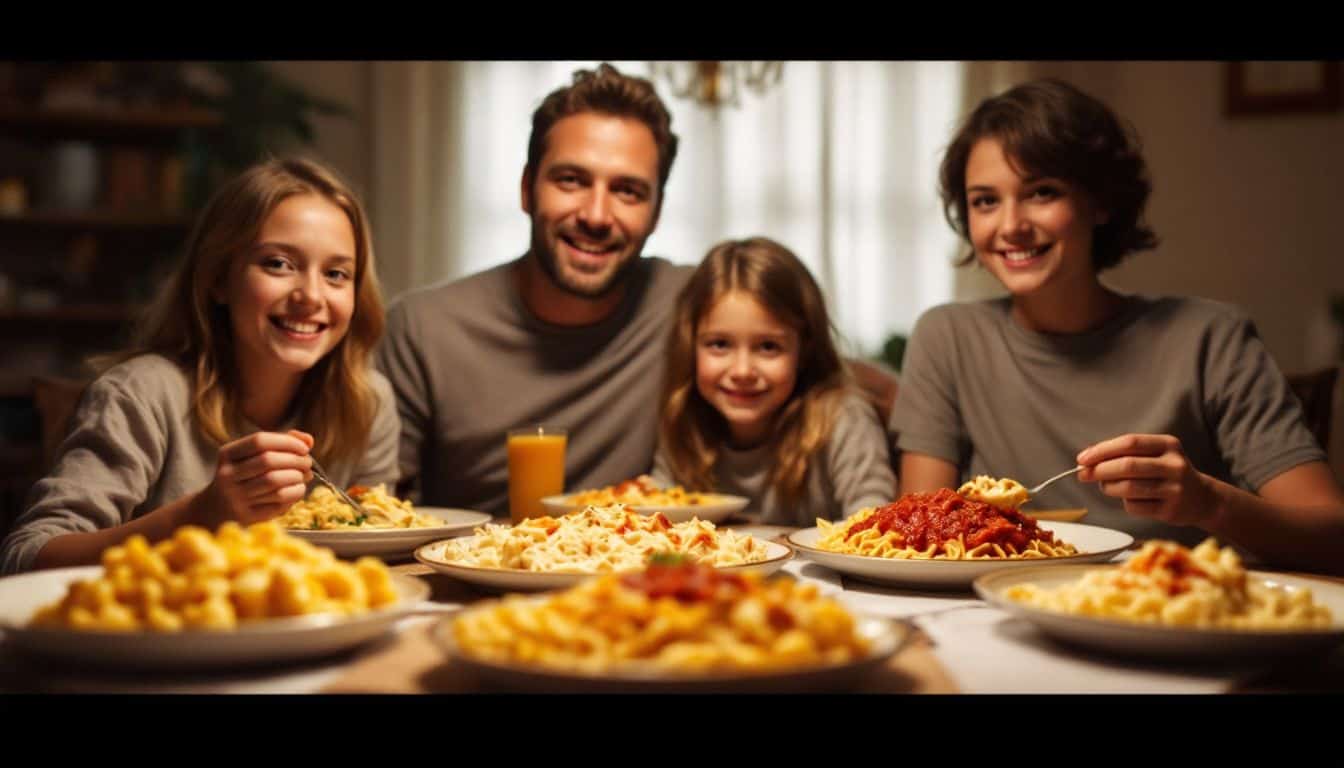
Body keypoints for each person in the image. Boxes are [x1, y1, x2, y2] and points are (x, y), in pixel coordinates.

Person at [892, 78, 1344, 573]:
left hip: (1173, 619)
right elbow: (917, 540)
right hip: (999, 619)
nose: (1010, 225)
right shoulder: (946, 337)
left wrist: (1210, 504)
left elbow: (1332, 538)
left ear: (1100, 202)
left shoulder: (1210, 337)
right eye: (985, 201)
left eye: (1042, 192)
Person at [1, 158, 399, 574]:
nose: (312, 296)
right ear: (218, 279)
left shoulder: (368, 402)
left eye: (336, 274)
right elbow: (25, 558)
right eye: (278, 263)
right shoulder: (142, 394)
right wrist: (200, 514)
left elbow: (375, 553)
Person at [376, 63, 692, 516]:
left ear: (656, 213)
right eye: (571, 180)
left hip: (632, 578)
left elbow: (820, 376)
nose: (597, 215)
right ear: (527, 189)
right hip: (468, 581)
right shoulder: (423, 329)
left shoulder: (693, 304)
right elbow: (375, 514)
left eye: (628, 191)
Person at [652, 237, 895, 526]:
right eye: (719, 344)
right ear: (689, 346)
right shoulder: (684, 420)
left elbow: (875, 521)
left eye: (768, 347)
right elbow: (656, 512)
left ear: (804, 349)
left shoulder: (841, 417)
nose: (742, 371)